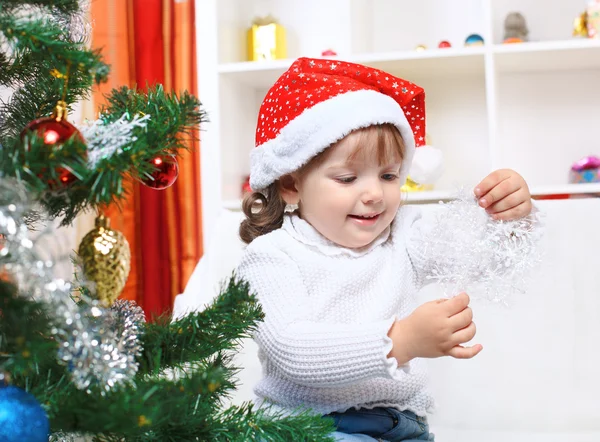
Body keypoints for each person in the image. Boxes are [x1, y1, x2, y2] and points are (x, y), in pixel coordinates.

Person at [236, 57, 534, 441]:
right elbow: (292, 350)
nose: (375, 194)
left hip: (402, 425)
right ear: (292, 184)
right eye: (347, 177)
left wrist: (510, 216)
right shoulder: (271, 256)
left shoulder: (403, 235)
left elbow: (481, 260)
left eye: (389, 175)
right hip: (304, 427)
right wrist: (400, 340)